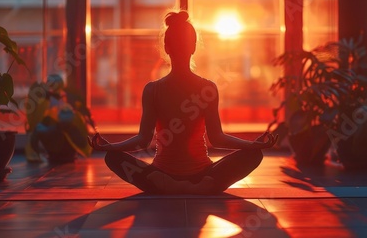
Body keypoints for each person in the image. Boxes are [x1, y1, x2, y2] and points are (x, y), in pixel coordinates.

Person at [89, 10, 277, 194]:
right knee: (253, 156)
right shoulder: (207, 88)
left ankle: (166, 185)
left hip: (162, 173)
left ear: (166, 46)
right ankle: (205, 185)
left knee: (113, 158)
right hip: (203, 174)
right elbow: (217, 138)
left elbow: (143, 141)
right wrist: (252, 146)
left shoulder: (152, 89)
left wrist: (111, 148)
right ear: (194, 46)